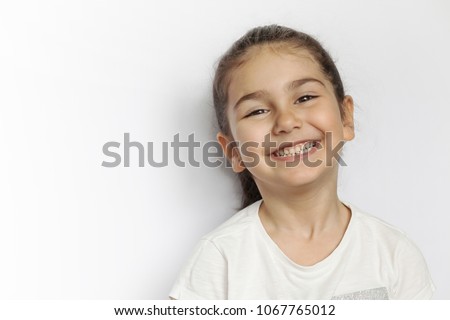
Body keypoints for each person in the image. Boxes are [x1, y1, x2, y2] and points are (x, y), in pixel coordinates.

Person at [169, 25, 435, 299]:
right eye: (257, 110)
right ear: (234, 151)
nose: (286, 121)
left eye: (305, 97)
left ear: (346, 118)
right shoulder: (220, 260)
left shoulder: (394, 254)